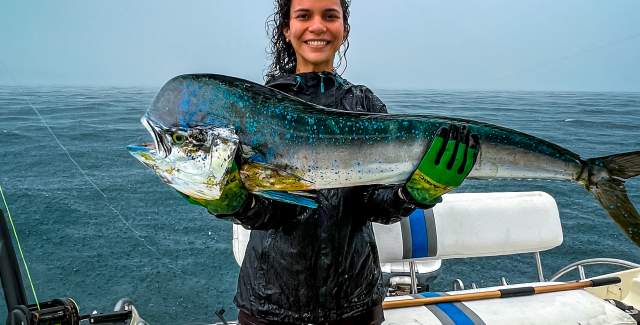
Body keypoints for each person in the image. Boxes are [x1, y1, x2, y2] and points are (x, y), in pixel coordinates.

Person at [193, 0, 479, 323]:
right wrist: (235, 202)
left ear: (343, 29)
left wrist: (413, 192)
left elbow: (374, 204)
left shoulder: (364, 105)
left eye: (330, 15)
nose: (317, 26)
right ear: (287, 29)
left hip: (356, 308)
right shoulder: (261, 107)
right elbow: (270, 212)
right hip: (269, 308)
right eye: (304, 16)